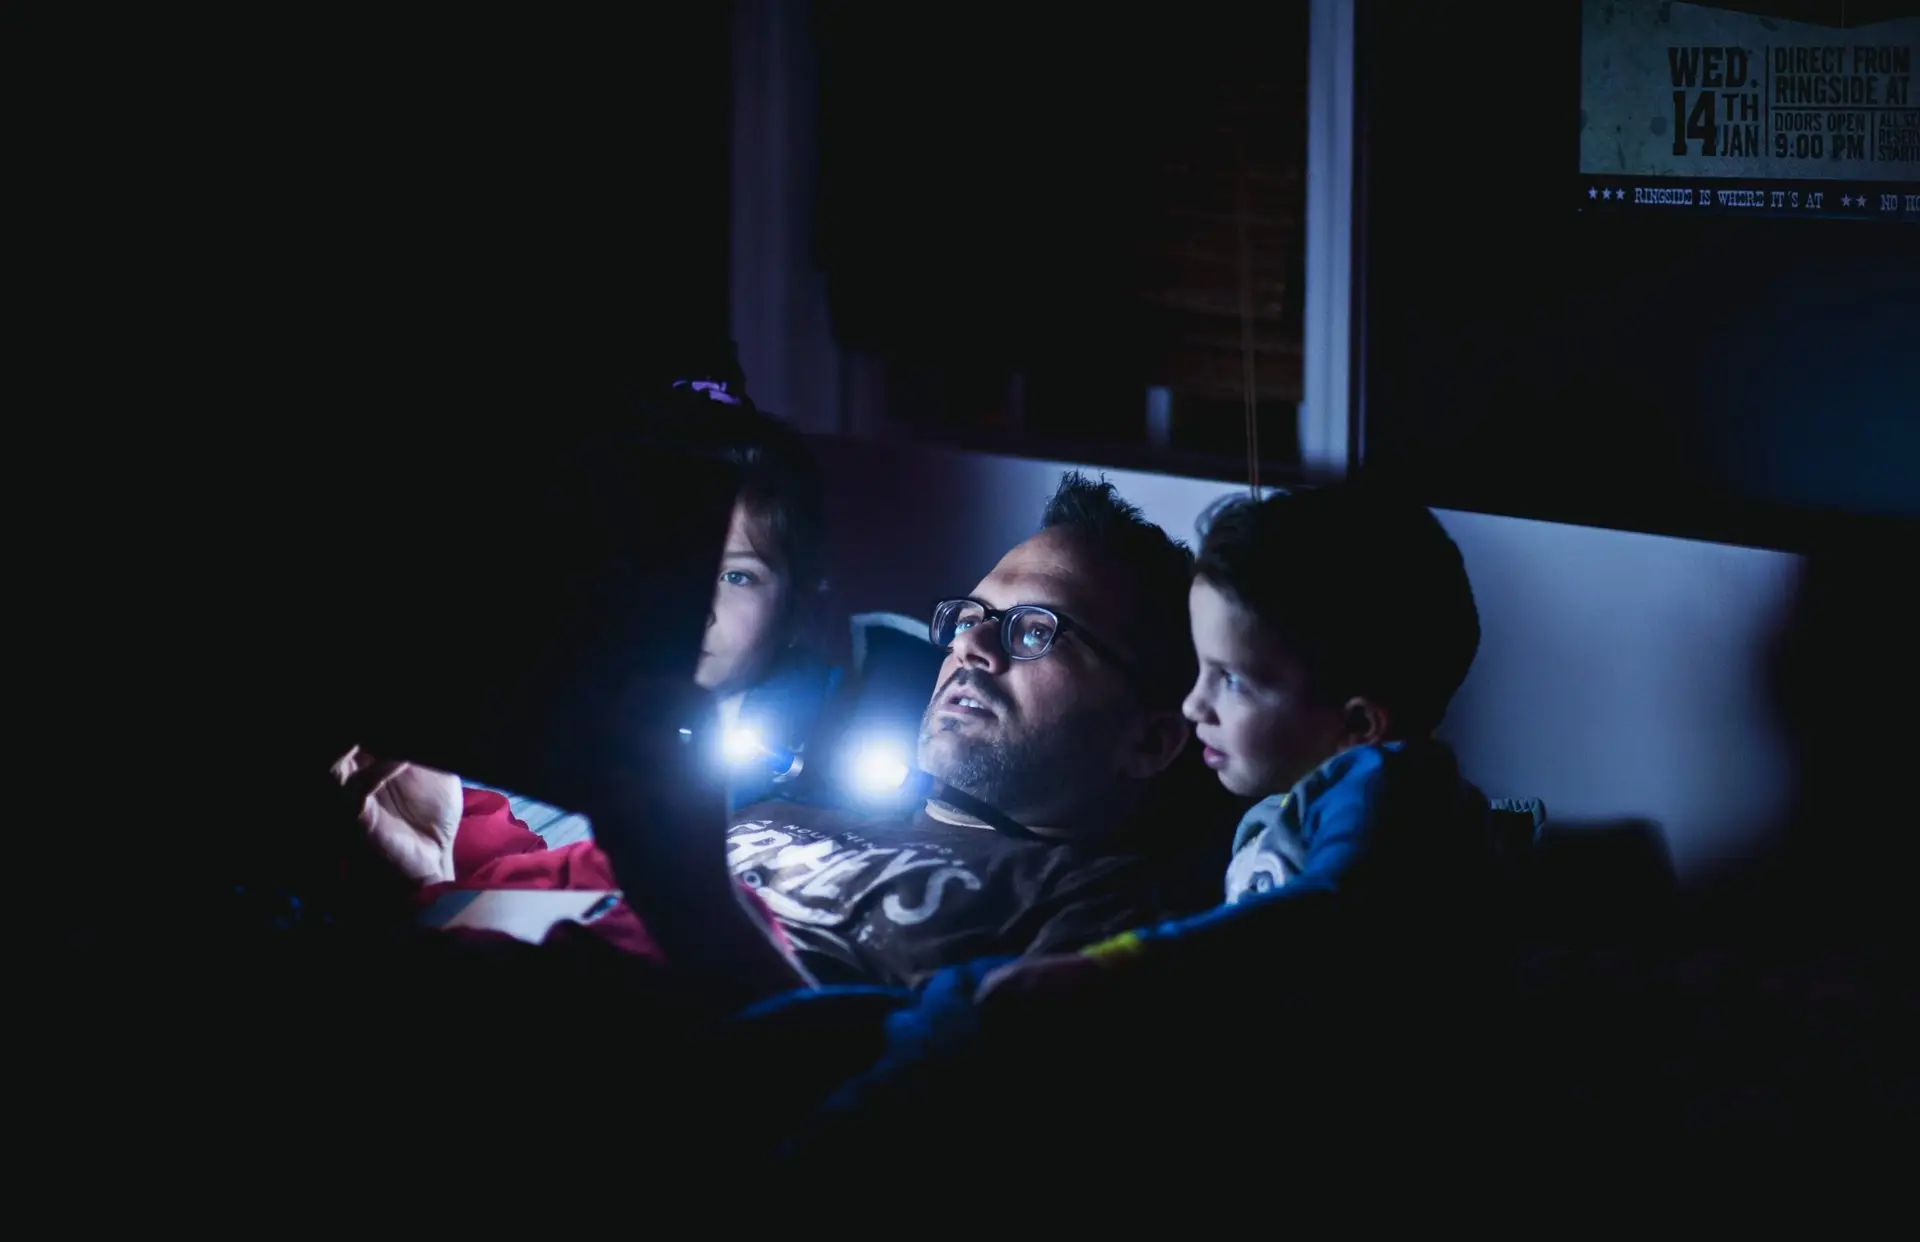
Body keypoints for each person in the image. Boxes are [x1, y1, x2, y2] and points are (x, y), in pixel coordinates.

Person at [394, 471, 1232, 988]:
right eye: (971, 616)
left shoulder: (1106, 908)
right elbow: (540, 902)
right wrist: (429, 874)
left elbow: (921, 1113)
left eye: (1037, 631)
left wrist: (698, 908)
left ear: (1151, 741)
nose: (971, 646)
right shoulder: (787, 806)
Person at [469, 369, 840, 843]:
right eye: (665, 562)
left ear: (797, 602)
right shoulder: (511, 731)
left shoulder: (818, 756)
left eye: (737, 576)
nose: (692, 605)